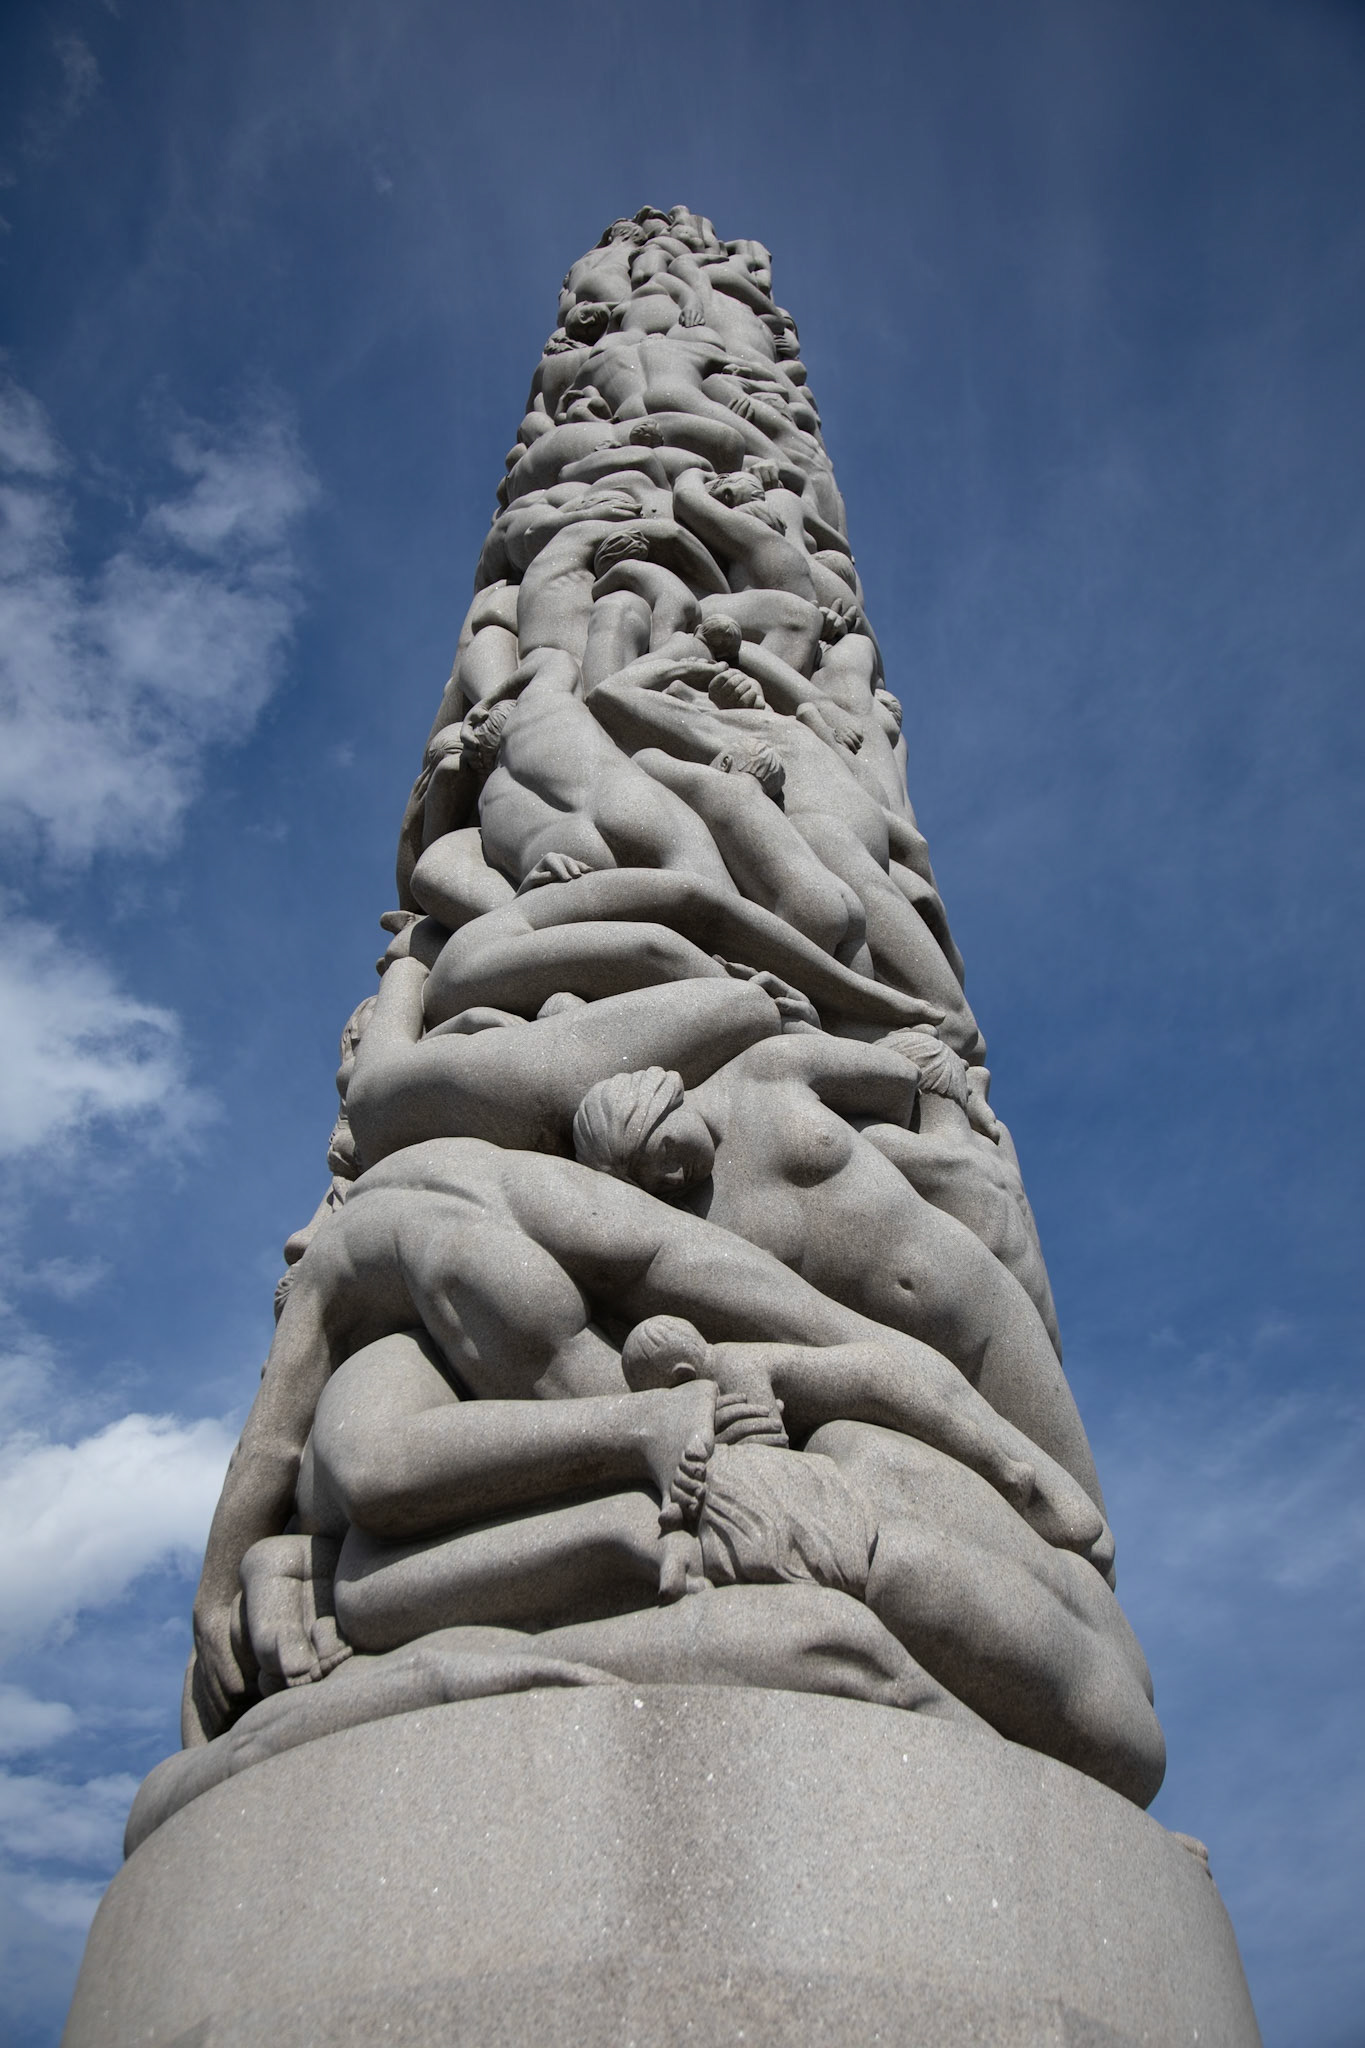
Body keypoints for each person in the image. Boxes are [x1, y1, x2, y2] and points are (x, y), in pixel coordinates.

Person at [185, 1137, 1106, 1742]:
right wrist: (1005, 1458)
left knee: (371, 1494)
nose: (289, 1250)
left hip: (572, 1381)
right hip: (593, 1324)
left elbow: (272, 1447)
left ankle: (654, 1430)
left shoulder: (349, 1258)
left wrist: (219, 1582)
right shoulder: (497, 1196)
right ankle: (663, 1429)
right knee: (818, 1332)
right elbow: (830, 1332)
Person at [568, 1033, 1097, 1501]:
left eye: (661, 1149)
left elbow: (899, 1081)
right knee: (1042, 1529)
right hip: (896, 1369)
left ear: (666, 1099)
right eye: (652, 1179)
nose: (671, 1174)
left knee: (1085, 1524)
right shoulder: (693, 1229)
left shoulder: (768, 1067)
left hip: (984, 1305)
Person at [586, 634, 984, 1058]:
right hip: (825, 849)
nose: (740, 682)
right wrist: (691, 661)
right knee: (950, 1024)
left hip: (868, 865)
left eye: (744, 677)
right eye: (726, 680)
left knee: (951, 1025)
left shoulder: (800, 725)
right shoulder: (720, 728)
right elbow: (609, 693)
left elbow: (901, 833)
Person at [343, 958, 792, 1167]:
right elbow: (407, 969)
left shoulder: (371, 1104)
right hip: (527, 1080)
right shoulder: (375, 1084)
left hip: (530, 1118)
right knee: (751, 1004)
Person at [418, 862, 948, 1036]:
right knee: (669, 932)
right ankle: (815, 1011)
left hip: (475, 969)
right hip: (473, 962)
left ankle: (813, 1009)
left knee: (668, 935)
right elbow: (692, 911)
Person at [460, 646, 740, 893]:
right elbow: (556, 659)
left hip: (564, 851)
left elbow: (512, 856)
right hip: (625, 799)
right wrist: (485, 701)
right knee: (699, 873)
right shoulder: (538, 706)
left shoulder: (489, 802)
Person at [855, 1028, 1063, 1356]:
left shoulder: (907, 1148)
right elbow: (982, 1085)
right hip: (1048, 1335)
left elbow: (823, 1110)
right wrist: (969, 1089)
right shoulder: (996, 1148)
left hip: (1002, 1330)